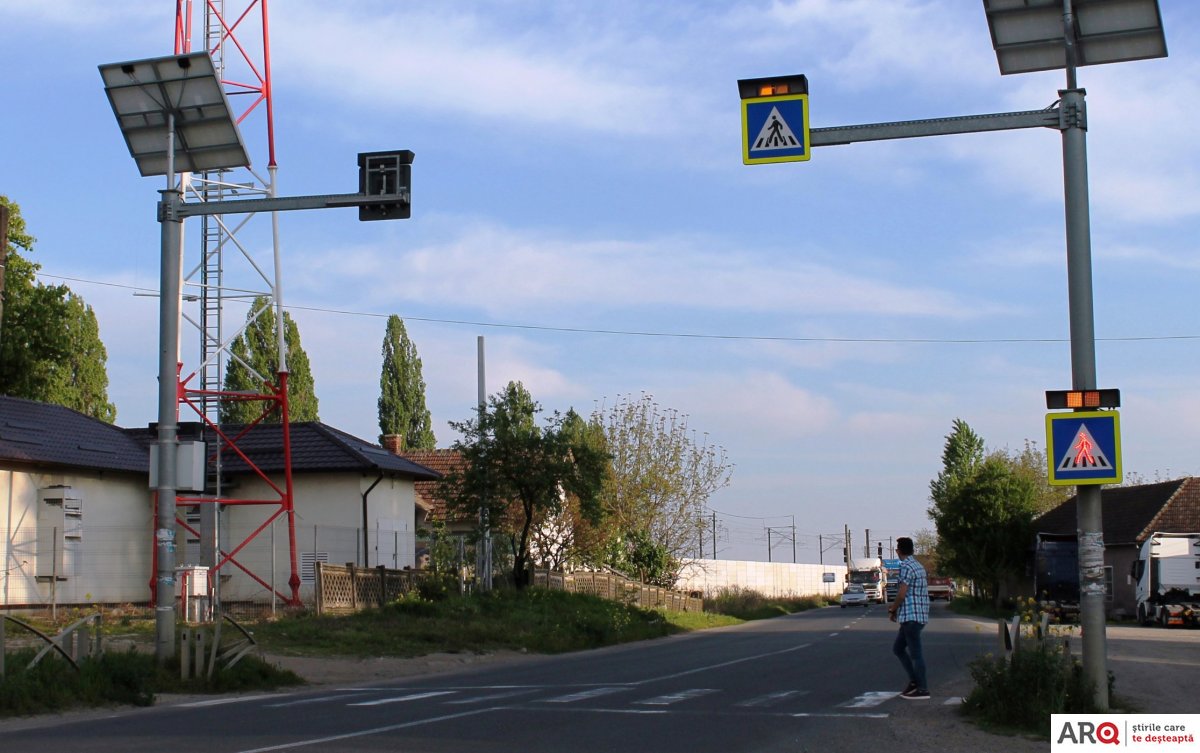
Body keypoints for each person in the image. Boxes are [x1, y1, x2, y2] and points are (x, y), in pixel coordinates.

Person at [888, 536, 930, 699]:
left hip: (911, 616)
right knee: (898, 648)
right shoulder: (918, 566)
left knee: (916, 654)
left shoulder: (905, 566)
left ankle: (922, 688)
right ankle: (914, 681)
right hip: (917, 615)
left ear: (899, 550)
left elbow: (902, 593)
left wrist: (893, 608)